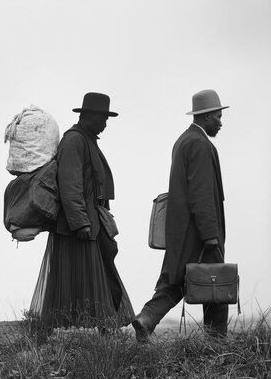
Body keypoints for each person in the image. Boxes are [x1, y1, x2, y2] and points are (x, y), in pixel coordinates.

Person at [31, 92, 135, 332]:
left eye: (107, 118)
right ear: (87, 116)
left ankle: (103, 328)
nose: (105, 123)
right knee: (84, 276)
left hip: (91, 221)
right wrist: (80, 223)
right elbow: (70, 185)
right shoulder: (74, 141)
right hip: (78, 226)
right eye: (101, 118)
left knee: (100, 273)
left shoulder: (87, 140)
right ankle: (91, 329)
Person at [133, 90, 229, 341]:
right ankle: (217, 346)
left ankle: (145, 319)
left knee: (173, 282)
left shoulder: (184, 140)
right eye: (218, 117)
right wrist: (210, 237)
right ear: (207, 116)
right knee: (217, 286)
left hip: (182, 232)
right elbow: (202, 195)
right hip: (198, 234)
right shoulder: (199, 144)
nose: (220, 122)